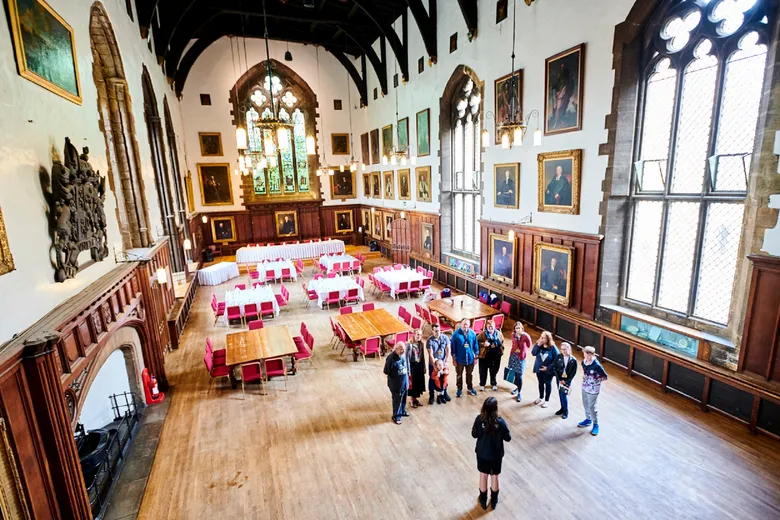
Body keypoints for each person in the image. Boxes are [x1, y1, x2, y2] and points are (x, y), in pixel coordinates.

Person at [471, 397, 511, 510]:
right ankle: (494, 500)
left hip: (482, 453)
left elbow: (474, 435)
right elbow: (508, 438)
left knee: (483, 476)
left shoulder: (479, 419)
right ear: (495, 408)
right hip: (496, 455)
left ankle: (483, 500)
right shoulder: (500, 422)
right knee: (495, 477)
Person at [579, 346, 608, 436]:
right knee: (585, 403)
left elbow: (604, 376)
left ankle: (596, 424)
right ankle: (588, 419)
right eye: (585, 354)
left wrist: (595, 380)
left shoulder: (596, 365)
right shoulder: (583, 362)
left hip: (593, 389)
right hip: (585, 386)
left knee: (592, 407)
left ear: (593, 355)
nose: (587, 357)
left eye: (589, 355)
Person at [451, 319, 479, 397]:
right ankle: (459, 389)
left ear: (469, 325)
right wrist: (453, 360)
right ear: (461, 324)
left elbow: (476, 347)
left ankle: (470, 388)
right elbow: (453, 349)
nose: (465, 326)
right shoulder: (455, 335)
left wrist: (476, 358)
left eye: (467, 324)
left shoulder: (473, 334)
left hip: (470, 359)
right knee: (459, 375)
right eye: (464, 324)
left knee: (469, 374)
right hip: (459, 359)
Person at [383, 341, 409, 424]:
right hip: (396, 385)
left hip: (404, 383)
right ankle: (396, 416)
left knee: (404, 398)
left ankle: (403, 411)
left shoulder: (403, 355)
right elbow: (386, 371)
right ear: (396, 349)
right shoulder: (391, 358)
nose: (403, 351)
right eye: (401, 349)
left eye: (404, 349)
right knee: (397, 401)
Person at [532, 331, 559, 408]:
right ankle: (541, 397)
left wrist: (548, 368)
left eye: (543, 338)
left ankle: (546, 400)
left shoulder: (553, 348)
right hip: (539, 369)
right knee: (540, 383)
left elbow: (556, 360)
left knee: (548, 384)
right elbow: (533, 353)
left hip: (548, 371)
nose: (541, 339)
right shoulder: (539, 345)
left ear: (548, 339)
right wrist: (537, 345)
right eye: (541, 337)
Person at [426, 323, 451, 404]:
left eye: (439, 331)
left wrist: (446, 360)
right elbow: (430, 354)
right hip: (433, 364)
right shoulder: (430, 341)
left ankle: (444, 393)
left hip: (442, 363)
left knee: (444, 378)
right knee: (433, 379)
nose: (438, 333)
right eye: (436, 331)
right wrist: (435, 366)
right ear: (432, 331)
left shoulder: (445, 338)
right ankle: (431, 395)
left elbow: (448, 349)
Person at [477, 319, 504, 391]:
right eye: (489, 327)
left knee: (494, 371)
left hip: (496, 355)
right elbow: (476, 343)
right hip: (484, 355)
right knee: (483, 371)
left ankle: (493, 383)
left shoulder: (499, 334)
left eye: (492, 327)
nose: (490, 328)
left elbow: (502, 343)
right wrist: (483, 344)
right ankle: (482, 384)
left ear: (495, 327)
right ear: (486, 327)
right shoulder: (482, 334)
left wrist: (498, 344)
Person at [507, 322, 532, 402]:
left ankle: (519, 393)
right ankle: (517, 388)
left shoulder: (525, 336)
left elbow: (529, 345)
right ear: (514, 329)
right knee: (515, 374)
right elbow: (513, 344)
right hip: (513, 356)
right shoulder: (513, 335)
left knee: (519, 375)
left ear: (522, 328)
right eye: (517, 328)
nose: (518, 329)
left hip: (521, 357)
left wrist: (523, 350)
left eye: (520, 328)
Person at [553, 342, 578, 419]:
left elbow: (573, 373)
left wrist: (566, 381)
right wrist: (559, 379)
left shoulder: (573, 360)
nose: (563, 351)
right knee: (560, 394)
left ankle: (566, 410)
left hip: (567, 380)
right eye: (562, 349)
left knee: (564, 394)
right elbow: (554, 367)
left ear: (569, 349)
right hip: (559, 379)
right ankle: (562, 408)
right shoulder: (558, 356)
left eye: (565, 349)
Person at [406, 329, 427, 408]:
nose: (419, 336)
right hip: (412, 366)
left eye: (421, 335)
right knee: (413, 383)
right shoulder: (409, 345)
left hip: (419, 365)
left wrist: (424, 366)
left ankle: (415, 399)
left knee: (418, 382)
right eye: (418, 334)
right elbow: (407, 358)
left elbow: (423, 356)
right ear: (414, 335)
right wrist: (408, 371)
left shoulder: (421, 344)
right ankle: (412, 399)